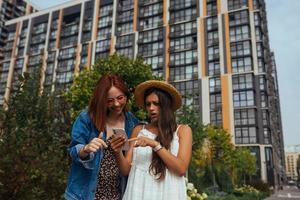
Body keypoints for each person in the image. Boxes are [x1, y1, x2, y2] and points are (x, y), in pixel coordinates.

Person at [110, 80, 192, 200]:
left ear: (166, 105)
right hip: (138, 192)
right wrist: (117, 152)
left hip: (168, 193)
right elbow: (126, 170)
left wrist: (155, 145)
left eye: (156, 103)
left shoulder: (183, 130)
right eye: (148, 104)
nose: (151, 108)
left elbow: (181, 169)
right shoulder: (138, 130)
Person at [64, 74, 139, 200]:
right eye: (109, 100)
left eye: (120, 98)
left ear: (126, 96)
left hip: (116, 193)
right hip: (86, 193)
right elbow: (72, 150)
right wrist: (85, 149)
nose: (116, 104)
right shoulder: (87, 118)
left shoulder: (132, 122)